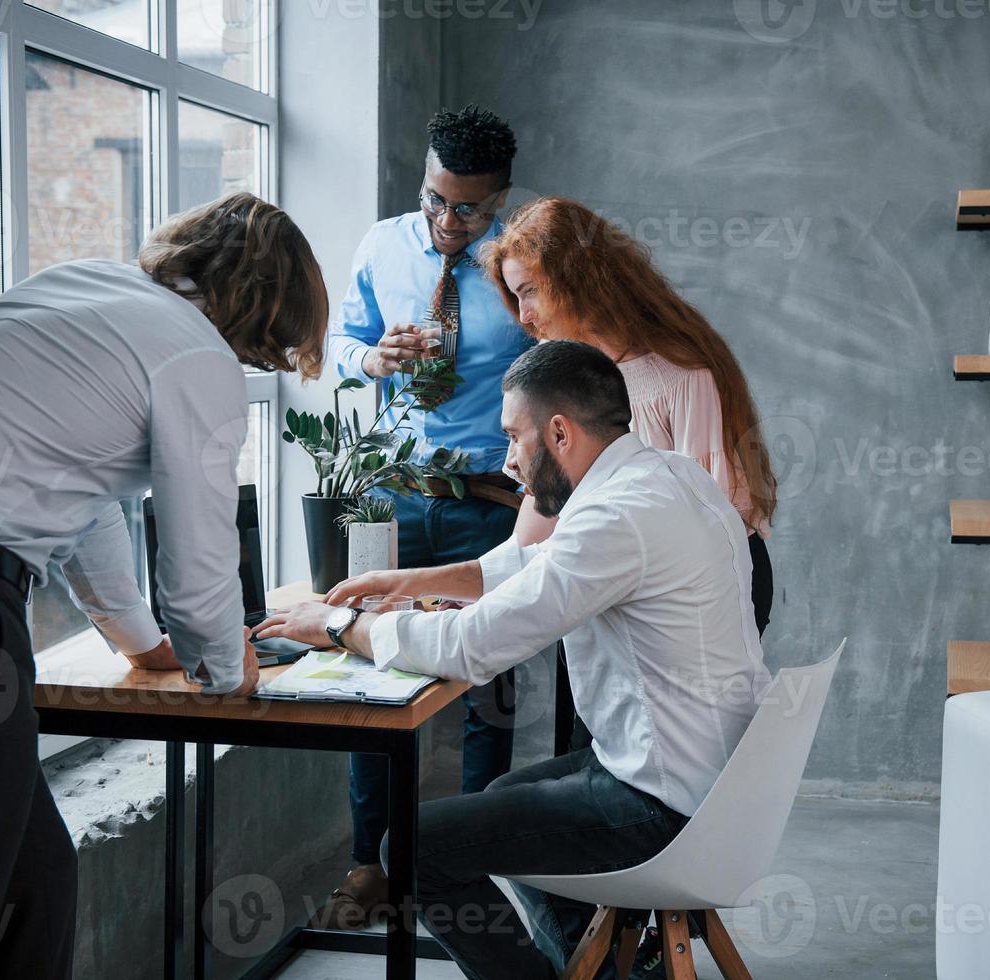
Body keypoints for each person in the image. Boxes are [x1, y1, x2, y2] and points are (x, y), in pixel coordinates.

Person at [0, 192, 327, 978]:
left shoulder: (75, 288)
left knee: (35, 886)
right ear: (263, 308)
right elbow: (199, 553)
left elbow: (88, 506)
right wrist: (225, 666)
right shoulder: (193, 353)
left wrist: (145, 645)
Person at [252, 341, 771, 980]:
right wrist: (406, 582)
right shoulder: (671, 476)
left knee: (412, 847)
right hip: (720, 785)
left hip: (662, 809)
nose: (508, 461)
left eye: (514, 437)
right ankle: (601, 969)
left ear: (560, 433)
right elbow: (532, 568)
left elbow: (471, 649)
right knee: (505, 796)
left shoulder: (615, 517)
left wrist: (337, 626)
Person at [321, 104, 534, 928]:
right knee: (372, 677)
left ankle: (471, 873)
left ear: (500, 201)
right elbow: (342, 345)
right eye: (435, 200)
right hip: (395, 495)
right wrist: (372, 359)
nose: (448, 222)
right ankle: (365, 864)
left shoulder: (520, 266)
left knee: (486, 689)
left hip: (489, 504)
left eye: (468, 208)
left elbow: (556, 361)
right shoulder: (382, 245)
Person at [483, 196, 778, 636]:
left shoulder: (680, 372)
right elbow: (542, 511)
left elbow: (707, 520)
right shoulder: (557, 367)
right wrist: (480, 585)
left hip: (711, 582)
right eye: (515, 296)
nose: (523, 316)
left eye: (529, 292)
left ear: (577, 279)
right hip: (613, 578)